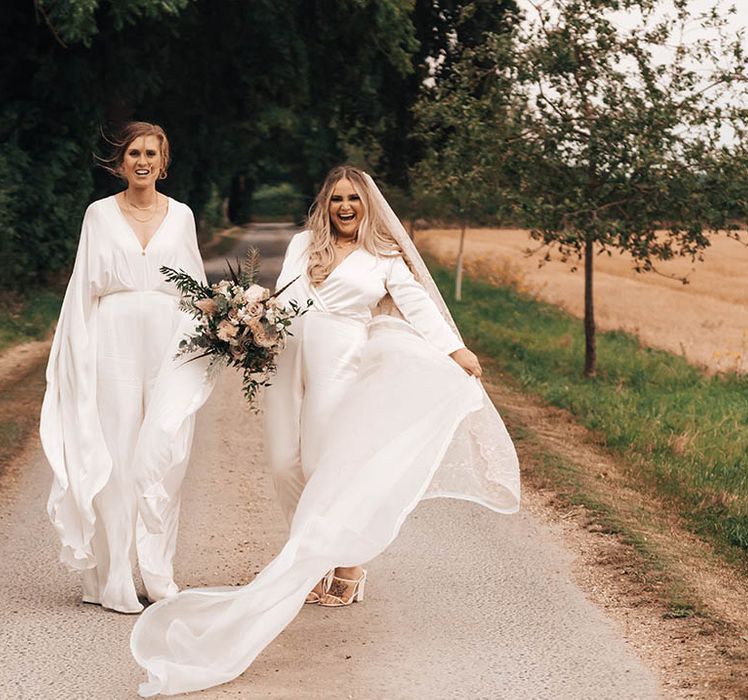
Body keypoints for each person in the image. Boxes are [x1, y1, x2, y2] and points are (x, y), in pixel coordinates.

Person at [130, 166, 519, 696]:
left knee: (325, 466)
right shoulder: (302, 245)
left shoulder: (383, 259)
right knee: (283, 463)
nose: (344, 206)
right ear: (325, 204)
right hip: (289, 360)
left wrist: (456, 350)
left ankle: (347, 568)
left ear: (368, 206)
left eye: (353, 199)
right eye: (336, 198)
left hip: (342, 367)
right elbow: (285, 300)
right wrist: (249, 318)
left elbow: (420, 307)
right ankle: (311, 556)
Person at [40, 121, 212, 614]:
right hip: (111, 341)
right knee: (115, 453)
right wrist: (76, 354)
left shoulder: (181, 216)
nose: (142, 160)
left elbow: (195, 286)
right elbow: (82, 290)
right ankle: (114, 579)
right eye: (134, 152)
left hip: (168, 341)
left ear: (163, 162)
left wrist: (227, 323)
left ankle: (158, 573)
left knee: (164, 452)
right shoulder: (98, 214)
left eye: (151, 153)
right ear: (122, 161)